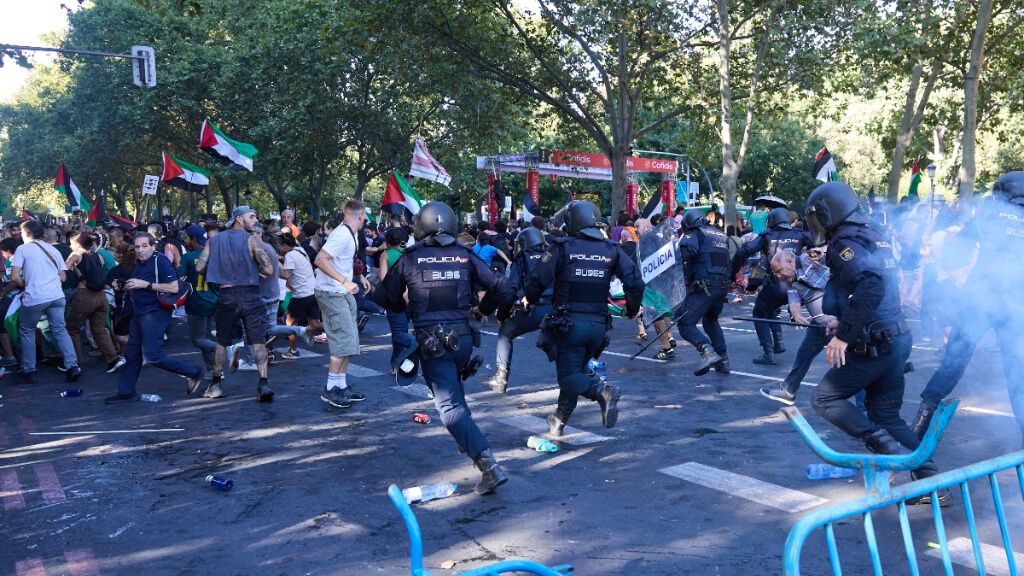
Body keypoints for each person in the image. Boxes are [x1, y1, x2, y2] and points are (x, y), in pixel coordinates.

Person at [803, 181, 948, 505]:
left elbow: (870, 285)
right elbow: (878, 290)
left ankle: (887, 451)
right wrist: (847, 321)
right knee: (886, 414)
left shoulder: (845, 242)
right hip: (895, 337)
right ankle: (933, 483)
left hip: (876, 344)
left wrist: (843, 335)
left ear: (831, 211)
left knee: (825, 399)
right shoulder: (874, 234)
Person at [374, 201, 513, 495]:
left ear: (420, 226)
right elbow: (502, 286)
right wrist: (480, 310)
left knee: (449, 408)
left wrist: (404, 306)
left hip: (432, 341)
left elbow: (385, 296)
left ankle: (488, 464)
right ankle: (469, 440)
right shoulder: (465, 255)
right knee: (456, 400)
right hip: (463, 339)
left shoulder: (411, 258)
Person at [909, 172, 1024, 444]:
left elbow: (954, 253)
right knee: (1017, 375)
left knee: (952, 364)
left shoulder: (990, 213)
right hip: (1015, 305)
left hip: (980, 301)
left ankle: (915, 436)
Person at [524, 201, 645, 435]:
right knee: (575, 371)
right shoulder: (611, 249)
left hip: (569, 325)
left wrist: (529, 298)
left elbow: (537, 279)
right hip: (598, 327)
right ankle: (558, 421)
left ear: (573, 222)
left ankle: (602, 391)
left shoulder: (561, 247)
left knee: (570, 377)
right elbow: (635, 282)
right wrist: (632, 309)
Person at [104, 233, 206, 403]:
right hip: (140, 312)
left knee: (153, 355)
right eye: (137, 247)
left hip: (155, 313)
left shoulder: (161, 261)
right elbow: (138, 283)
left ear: (153, 246)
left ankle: (194, 372)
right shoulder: (140, 263)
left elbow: (173, 287)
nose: (140, 250)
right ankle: (126, 391)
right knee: (132, 352)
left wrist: (146, 285)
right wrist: (124, 284)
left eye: (145, 246)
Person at [195, 205, 276, 402]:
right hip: (250, 294)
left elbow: (199, 267)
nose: (255, 220)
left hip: (226, 294)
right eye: (252, 216)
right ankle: (263, 384)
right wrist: (256, 271)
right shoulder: (252, 239)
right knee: (257, 340)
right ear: (239, 219)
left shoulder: (213, 240)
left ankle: (215, 385)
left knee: (222, 342)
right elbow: (269, 269)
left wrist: (217, 273)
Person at [731, 206, 812, 365]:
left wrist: (733, 271)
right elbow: (820, 243)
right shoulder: (799, 234)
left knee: (759, 313)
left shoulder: (767, 236)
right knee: (770, 309)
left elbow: (743, 252)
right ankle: (779, 342)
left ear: (772, 220)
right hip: (796, 287)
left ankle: (768, 353)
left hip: (775, 284)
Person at [759, 248, 837, 405]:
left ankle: (866, 412)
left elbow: (830, 250)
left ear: (790, 262)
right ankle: (788, 390)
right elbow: (793, 301)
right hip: (820, 324)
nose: (778, 276)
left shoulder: (808, 259)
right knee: (804, 354)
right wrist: (797, 316)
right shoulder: (790, 281)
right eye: (775, 273)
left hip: (841, 321)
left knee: (854, 362)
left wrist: (821, 253)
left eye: (779, 271)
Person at [9, 220, 80, 383]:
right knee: (60, 330)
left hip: (35, 297)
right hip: (56, 296)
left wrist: (27, 283)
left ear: (26, 233)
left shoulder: (22, 249)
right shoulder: (53, 250)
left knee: (27, 330)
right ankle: (72, 366)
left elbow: (14, 277)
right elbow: (63, 277)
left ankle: (29, 370)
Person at [481, 227, 551, 393]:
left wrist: (502, 314)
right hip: (559, 308)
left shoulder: (522, 258)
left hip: (537, 308)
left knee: (505, 332)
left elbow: (510, 290)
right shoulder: (553, 254)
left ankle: (501, 378)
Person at [314, 201, 369, 409]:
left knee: (350, 340)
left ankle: (341, 384)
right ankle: (330, 388)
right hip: (331, 293)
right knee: (342, 339)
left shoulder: (351, 233)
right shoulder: (342, 234)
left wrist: (358, 276)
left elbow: (344, 261)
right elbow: (320, 259)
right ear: (361, 216)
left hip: (342, 291)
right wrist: (344, 281)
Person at [672, 209, 731, 375]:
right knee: (711, 321)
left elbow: (686, 253)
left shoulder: (695, 232)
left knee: (685, 323)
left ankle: (707, 352)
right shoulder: (720, 234)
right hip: (722, 286)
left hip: (704, 285)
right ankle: (723, 361)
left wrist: (671, 256)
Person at [64, 232, 125, 373]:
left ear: (78, 244)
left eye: (71, 243)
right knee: (99, 329)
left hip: (85, 296)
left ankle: (74, 363)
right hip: (101, 296)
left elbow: (63, 270)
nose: (70, 245)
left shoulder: (75, 255)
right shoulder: (97, 256)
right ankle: (114, 360)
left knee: (71, 329)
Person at [276, 233, 322, 360]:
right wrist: (279, 258)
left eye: (279, 245)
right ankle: (339, 329)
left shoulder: (290, 255)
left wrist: (274, 267)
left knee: (290, 324)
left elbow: (286, 275)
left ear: (285, 245)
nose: (278, 248)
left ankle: (293, 350)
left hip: (300, 295)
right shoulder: (300, 250)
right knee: (314, 324)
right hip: (312, 292)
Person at [180, 224, 218, 374]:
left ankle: (223, 349)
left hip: (196, 302)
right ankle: (214, 370)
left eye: (187, 237)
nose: (185, 239)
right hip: (213, 300)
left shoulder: (188, 257)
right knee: (205, 337)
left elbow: (180, 278)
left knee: (198, 340)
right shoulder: (215, 255)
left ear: (193, 239)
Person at [377, 227, 412, 371]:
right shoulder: (410, 254)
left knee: (398, 333)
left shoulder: (385, 255)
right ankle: (401, 362)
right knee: (404, 330)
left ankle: (399, 363)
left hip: (394, 299)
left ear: (387, 241)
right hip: (412, 298)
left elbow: (383, 278)